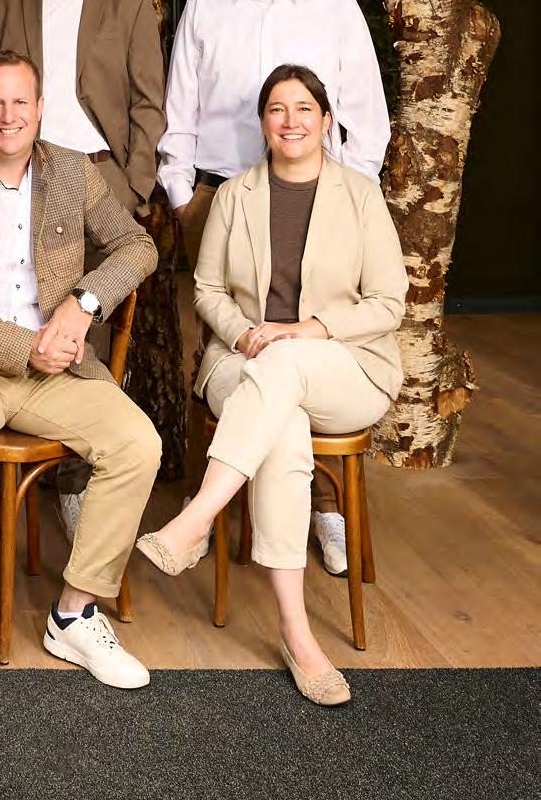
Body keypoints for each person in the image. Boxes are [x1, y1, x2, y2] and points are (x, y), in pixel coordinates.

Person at [0, 50, 162, 719]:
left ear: (41, 109)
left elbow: (139, 247)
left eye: (21, 101)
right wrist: (25, 347)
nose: (8, 115)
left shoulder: (74, 173)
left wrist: (82, 304)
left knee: (138, 443)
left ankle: (74, 613)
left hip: (60, 370)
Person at [137, 65, 406, 706]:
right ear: (262, 123)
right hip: (245, 360)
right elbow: (206, 290)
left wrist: (310, 329)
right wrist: (246, 334)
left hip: (347, 364)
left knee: (285, 370)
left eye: (304, 108)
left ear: (326, 120)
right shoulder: (235, 195)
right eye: (277, 109)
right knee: (281, 413)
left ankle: (197, 518)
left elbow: (389, 302)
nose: (291, 121)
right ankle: (296, 632)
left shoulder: (360, 195)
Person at [157, 0, 391, 574]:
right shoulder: (205, 5)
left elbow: (366, 112)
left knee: (302, 350)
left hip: (316, 197)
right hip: (221, 196)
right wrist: (183, 196)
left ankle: (317, 505)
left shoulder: (332, 5)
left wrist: (347, 196)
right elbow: (180, 106)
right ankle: (224, 498)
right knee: (228, 344)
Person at [0, 0, 166, 539]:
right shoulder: (5, 2)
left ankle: (76, 479)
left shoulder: (128, 1)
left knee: (89, 327)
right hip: (20, 175)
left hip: (99, 178)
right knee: (10, 309)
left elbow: (148, 102)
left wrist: (133, 188)